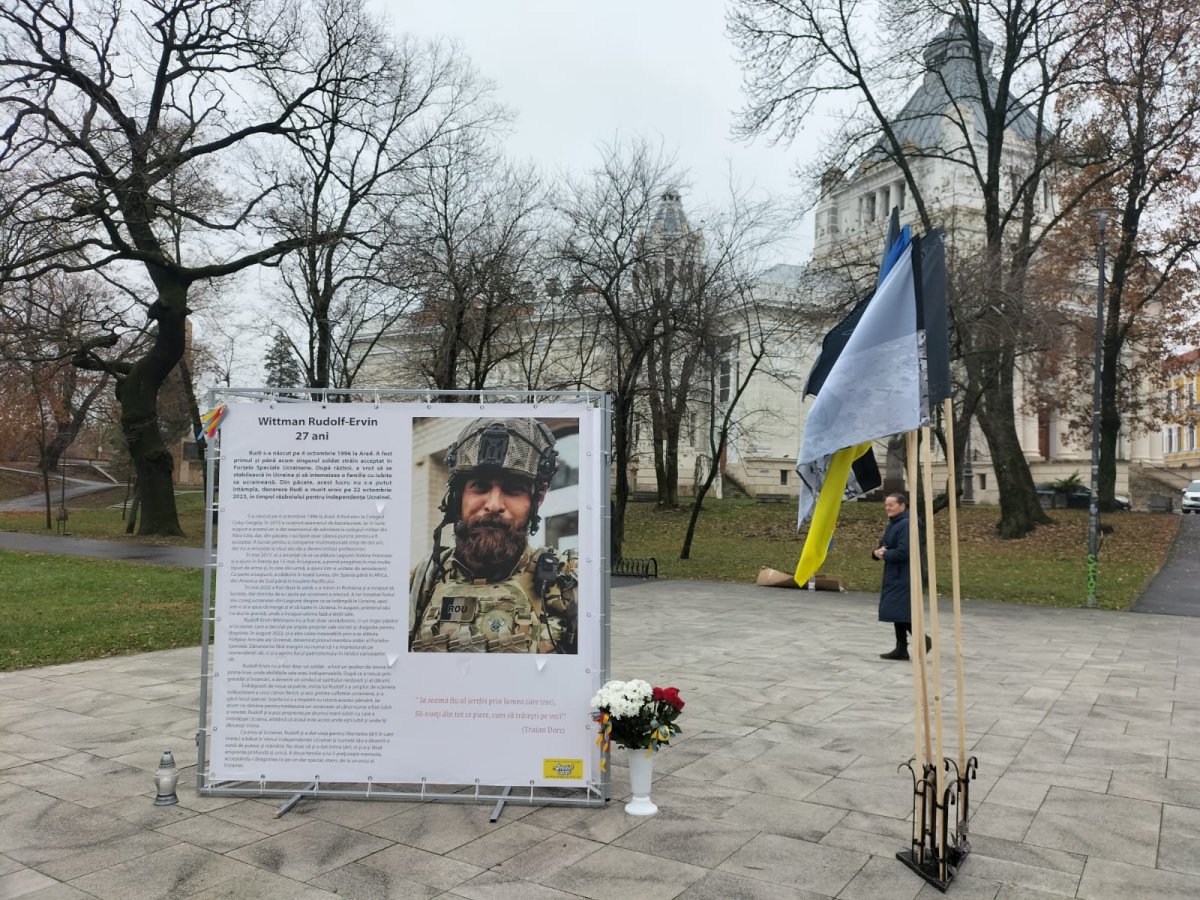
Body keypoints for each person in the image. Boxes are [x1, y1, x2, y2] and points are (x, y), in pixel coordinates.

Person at [409, 417, 578, 654]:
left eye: (512, 490)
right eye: (480, 486)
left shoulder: (566, 583)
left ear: (537, 500)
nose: (494, 504)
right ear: (459, 497)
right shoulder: (422, 582)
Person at [871, 492, 927, 660]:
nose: (887, 508)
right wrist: (876, 552)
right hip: (895, 574)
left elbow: (905, 551)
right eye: (886, 505)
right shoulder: (894, 523)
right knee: (898, 611)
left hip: (904, 574)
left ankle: (921, 642)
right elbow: (884, 544)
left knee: (900, 611)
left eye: (891, 505)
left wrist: (885, 554)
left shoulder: (906, 524)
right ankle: (902, 648)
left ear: (902, 506)